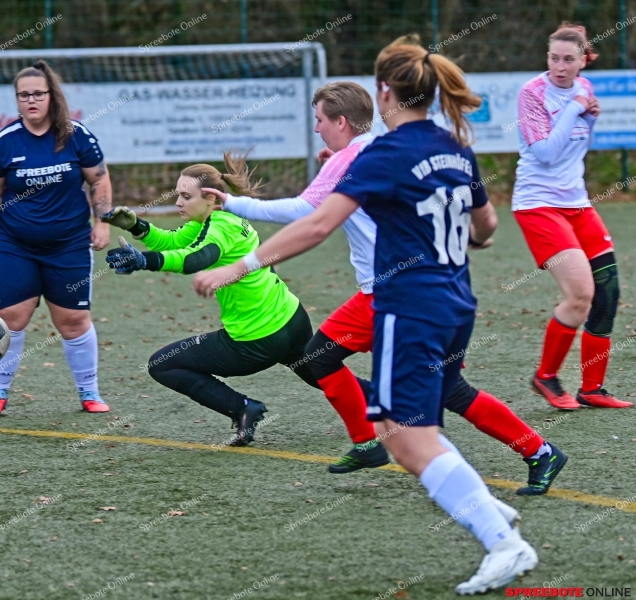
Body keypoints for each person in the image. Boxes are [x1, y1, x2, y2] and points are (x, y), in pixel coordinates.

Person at [193, 35, 538, 594]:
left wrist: (240, 266)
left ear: (384, 93)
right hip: (457, 301)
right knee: (426, 419)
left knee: (404, 437)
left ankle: (503, 543)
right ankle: (490, 511)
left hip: (410, 305)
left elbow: (317, 223)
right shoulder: (454, 147)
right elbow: (487, 228)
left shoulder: (384, 154)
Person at [208, 81, 565, 495]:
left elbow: (305, 213)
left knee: (441, 393)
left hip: (399, 293)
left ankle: (530, 455)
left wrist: (232, 206)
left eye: (320, 120)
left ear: (341, 121)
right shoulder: (373, 150)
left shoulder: (361, 156)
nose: (317, 128)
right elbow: (477, 220)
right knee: (321, 357)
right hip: (393, 292)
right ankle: (368, 442)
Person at [100, 154, 319, 446]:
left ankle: (243, 408)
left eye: (185, 196)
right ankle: (384, 401)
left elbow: (195, 258)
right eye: (178, 195)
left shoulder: (220, 226)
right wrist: (136, 226)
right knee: (324, 374)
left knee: (162, 365)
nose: (178, 202)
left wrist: (144, 261)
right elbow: (173, 242)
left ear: (211, 199)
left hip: (258, 338)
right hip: (292, 318)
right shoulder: (215, 217)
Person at [0, 60, 113, 416]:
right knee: (10, 317)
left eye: (37, 94)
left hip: (70, 245)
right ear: (17, 100)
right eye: (23, 95)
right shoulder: (3, 143)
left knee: (73, 320)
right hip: (16, 246)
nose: (31, 101)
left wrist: (102, 222)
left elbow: (100, 180)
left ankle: (89, 393)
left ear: (51, 96)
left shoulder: (77, 136)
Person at [512, 22, 631, 410]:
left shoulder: (585, 89)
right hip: (537, 204)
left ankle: (592, 389)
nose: (559, 67)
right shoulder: (532, 93)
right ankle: (544, 377)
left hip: (576, 203)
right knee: (581, 294)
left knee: (608, 292)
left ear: (583, 61)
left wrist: (588, 114)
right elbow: (545, 153)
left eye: (568, 59)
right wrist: (577, 109)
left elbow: (579, 144)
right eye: (553, 58)